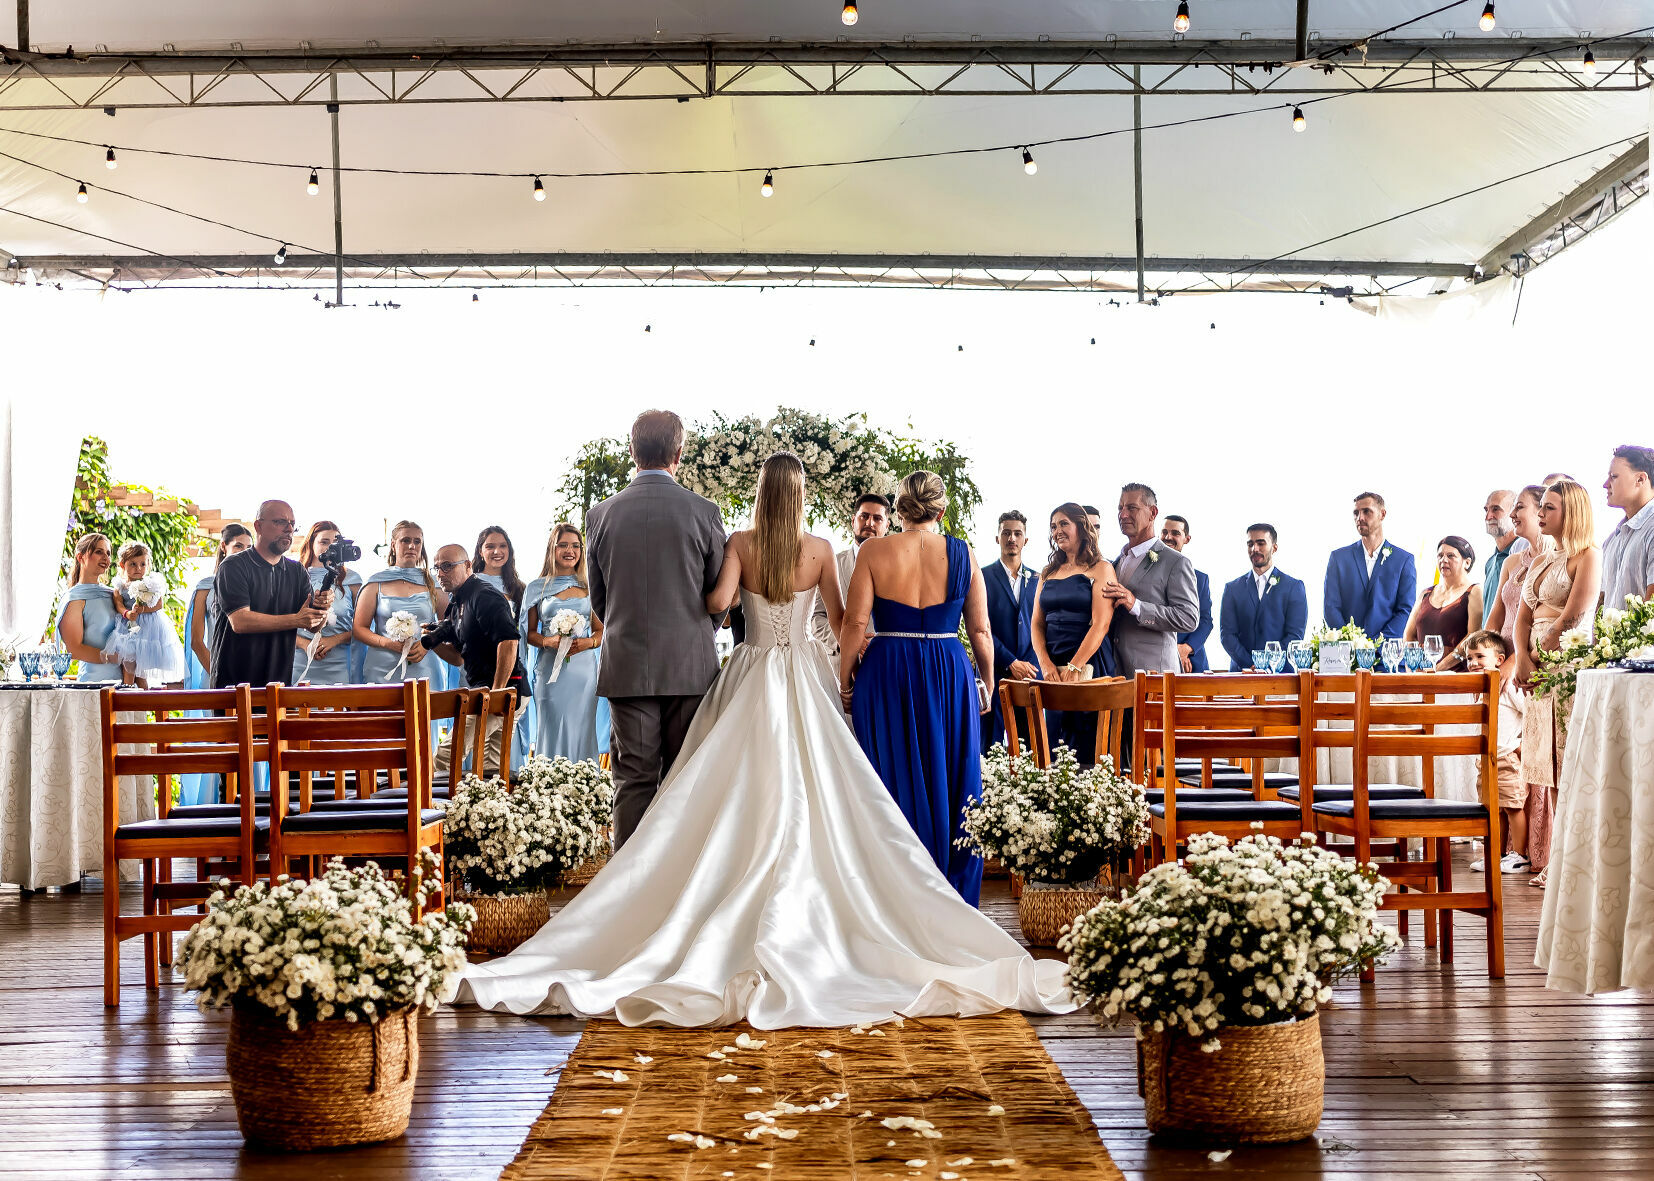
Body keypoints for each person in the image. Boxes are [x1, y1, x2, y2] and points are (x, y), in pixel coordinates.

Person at [455, 455, 1070, 1028]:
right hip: (805, 671)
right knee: (824, 787)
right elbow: (840, 615)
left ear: (759, 496)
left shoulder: (743, 544)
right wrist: (841, 667)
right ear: (801, 497)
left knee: (728, 786)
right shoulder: (823, 549)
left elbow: (719, 603)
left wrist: (723, 599)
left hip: (751, 671)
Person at [842, 470, 996, 905]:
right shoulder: (963, 553)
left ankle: (895, 897)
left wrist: (845, 680)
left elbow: (854, 624)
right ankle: (953, 899)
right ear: (941, 511)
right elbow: (981, 630)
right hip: (949, 671)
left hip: (887, 669)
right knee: (955, 777)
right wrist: (984, 681)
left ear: (900, 509)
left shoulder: (873, 550)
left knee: (887, 780)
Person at [587, 409, 727, 849]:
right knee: (685, 776)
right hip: (689, 665)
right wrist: (697, 628)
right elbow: (718, 596)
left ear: (631, 452)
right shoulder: (704, 511)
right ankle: (681, 879)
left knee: (633, 779)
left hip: (628, 664)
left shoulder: (601, 515)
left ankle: (627, 879)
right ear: (679, 454)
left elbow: (600, 599)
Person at [1514, 480, 1601, 889]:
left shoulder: (1588, 555)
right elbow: (1522, 616)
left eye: (1549, 507)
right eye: (1542, 507)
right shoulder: (1540, 560)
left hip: (1563, 668)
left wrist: (1543, 657)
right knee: (1541, 765)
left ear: (1572, 511)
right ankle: (1550, 855)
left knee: (1567, 764)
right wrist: (1522, 657)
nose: (1542, 513)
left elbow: (1574, 614)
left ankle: (1570, 862)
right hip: (1535, 668)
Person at [1482, 485, 1552, 877]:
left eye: (1519, 508)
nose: (1513, 516)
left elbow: (1537, 621)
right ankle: (1504, 848)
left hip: (1527, 666)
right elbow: (1497, 616)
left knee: (1521, 761)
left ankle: (1533, 848)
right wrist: (1477, 653)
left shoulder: (1554, 558)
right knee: (1496, 759)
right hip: (1499, 663)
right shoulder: (1513, 560)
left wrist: (1512, 661)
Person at [424, 544, 530, 778]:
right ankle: (489, 812)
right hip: (486, 691)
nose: (441, 573)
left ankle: (437, 810)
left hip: (503, 691)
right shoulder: (455, 604)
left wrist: (497, 693)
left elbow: (509, 642)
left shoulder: (484, 595)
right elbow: (458, 659)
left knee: (446, 755)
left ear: (468, 566)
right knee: (492, 769)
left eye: (448, 566)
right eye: (438, 567)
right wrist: (433, 643)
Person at [1029, 502, 1116, 765]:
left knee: (1087, 748)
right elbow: (1036, 624)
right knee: (1053, 746)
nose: (1057, 531)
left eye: (1064, 524)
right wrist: (1045, 664)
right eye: (1053, 526)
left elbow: (1101, 624)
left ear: (1081, 526)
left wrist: (1075, 667)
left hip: (1088, 664)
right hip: (1053, 669)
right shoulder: (1048, 572)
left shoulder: (1101, 568)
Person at [211, 500, 329, 690]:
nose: (289, 529)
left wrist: (323, 608)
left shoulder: (297, 570)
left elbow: (313, 626)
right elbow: (240, 622)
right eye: (280, 522)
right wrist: (296, 620)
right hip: (234, 682)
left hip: (279, 681)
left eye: (292, 523)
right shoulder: (233, 565)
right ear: (258, 526)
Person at [181, 524, 254, 805]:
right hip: (215, 674)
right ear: (223, 547)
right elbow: (197, 640)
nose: (243, 553)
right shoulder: (205, 587)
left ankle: (249, 810)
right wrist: (218, 672)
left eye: (248, 548)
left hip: (249, 675)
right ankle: (212, 812)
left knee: (248, 747)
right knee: (217, 747)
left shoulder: (254, 586)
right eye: (238, 546)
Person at [1103, 483, 1199, 679]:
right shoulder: (1115, 563)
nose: (1123, 515)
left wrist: (1137, 606)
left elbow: (1189, 618)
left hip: (1156, 678)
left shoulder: (1176, 562)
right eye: (1120, 508)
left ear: (1152, 513)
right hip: (1115, 676)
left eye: (1131, 508)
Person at [524, 523, 603, 763]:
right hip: (549, 671)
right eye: (564, 545)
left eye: (576, 546)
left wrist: (588, 642)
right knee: (551, 725)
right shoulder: (537, 587)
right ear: (552, 549)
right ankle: (547, 788)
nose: (570, 550)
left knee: (582, 728)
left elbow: (601, 631)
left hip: (584, 673)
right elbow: (528, 634)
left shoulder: (590, 587)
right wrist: (548, 640)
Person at [1463, 630, 1531, 875]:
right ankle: (1497, 853)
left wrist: (1520, 742)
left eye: (1479, 657)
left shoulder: (1508, 687)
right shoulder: (1477, 688)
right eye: (1469, 658)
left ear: (1499, 661)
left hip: (1506, 756)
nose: (1472, 663)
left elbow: (1527, 711)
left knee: (1513, 806)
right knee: (1494, 809)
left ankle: (1520, 855)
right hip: (1485, 759)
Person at [354, 520, 447, 685]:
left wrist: (429, 643)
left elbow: (449, 625)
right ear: (393, 544)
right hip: (382, 667)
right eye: (406, 540)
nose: (412, 546)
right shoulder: (376, 583)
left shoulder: (434, 585)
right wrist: (388, 643)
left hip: (424, 666)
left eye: (417, 541)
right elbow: (359, 629)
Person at [980, 509, 1040, 752]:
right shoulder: (981, 577)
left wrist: (1028, 665)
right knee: (989, 748)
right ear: (997, 538)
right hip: (993, 672)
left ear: (1026, 540)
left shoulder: (1038, 579)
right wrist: (1010, 662)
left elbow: (1042, 628)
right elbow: (980, 626)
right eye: (1006, 533)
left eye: (1017, 533)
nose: (1011, 538)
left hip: (1030, 674)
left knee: (1030, 750)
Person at [1322, 491, 1416, 639]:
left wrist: (1377, 644)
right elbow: (1331, 607)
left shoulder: (1404, 560)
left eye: (1367, 511)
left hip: (1387, 653)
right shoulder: (1338, 558)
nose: (1360, 518)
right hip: (1346, 654)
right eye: (1356, 513)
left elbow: (1405, 610)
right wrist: (1350, 641)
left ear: (1382, 514)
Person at [473, 525, 530, 767]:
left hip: (510, 667)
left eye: (503, 546)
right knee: (475, 729)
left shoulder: (519, 588)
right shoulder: (470, 584)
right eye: (490, 546)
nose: (497, 551)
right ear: (480, 551)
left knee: (504, 732)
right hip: (478, 665)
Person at [1218, 523, 1308, 670]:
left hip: (1281, 675)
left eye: (1261, 543)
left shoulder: (1294, 587)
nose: (1255, 549)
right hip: (1242, 673)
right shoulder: (1232, 588)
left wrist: (1270, 664)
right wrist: (1251, 664)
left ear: (1274, 548)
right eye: (1250, 544)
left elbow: (1294, 635)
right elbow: (1227, 635)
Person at [810, 492, 890, 653]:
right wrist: (846, 641)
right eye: (864, 516)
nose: (870, 523)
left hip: (884, 659)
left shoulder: (898, 566)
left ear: (887, 525)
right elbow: (815, 617)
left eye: (877, 518)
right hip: (838, 662)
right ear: (853, 520)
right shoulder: (831, 563)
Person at [102, 541, 187, 686]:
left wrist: (143, 610)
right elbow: (119, 604)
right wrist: (127, 614)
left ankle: (143, 703)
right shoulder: (120, 585)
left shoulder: (151, 583)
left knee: (141, 671)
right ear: (123, 565)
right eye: (133, 564)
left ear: (148, 565)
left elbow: (159, 604)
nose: (138, 568)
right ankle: (127, 693)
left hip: (148, 628)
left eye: (142, 564)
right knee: (129, 662)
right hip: (129, 625)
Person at [291, 520, 361, 686]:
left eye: (335, 543)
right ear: (311, 544)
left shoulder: (352, 579)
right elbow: (280, 620)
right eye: (324, 542)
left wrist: (334, 640)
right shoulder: (293, 576)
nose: (330, 547)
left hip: (340, 661)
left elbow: (364, 626)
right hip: (301, 659)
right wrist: (305, 644)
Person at [56, 533, 124, 683]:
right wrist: (113, 658)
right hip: (93, 684)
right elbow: (73, 649)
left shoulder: (113, 594)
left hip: (125, 682)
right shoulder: (74, 598)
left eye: (108, 553)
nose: (106, 558)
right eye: (98, 552)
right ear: (80, 557)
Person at [1405, 536, 1481, 666]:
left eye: (1451, 556)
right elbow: (1409, 635)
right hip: (1421, 673)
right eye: (1440, 555)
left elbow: (1472, 636)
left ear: (1467, 562)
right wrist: (1412, 666)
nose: (1444, 560)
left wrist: (1441, 667)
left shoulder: (1474, 591)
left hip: (1456, 675)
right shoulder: (1425, 593)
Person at [1601, 444, 1654, 608]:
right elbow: (1602, 601)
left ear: (1640, 479)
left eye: (1613, 476)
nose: (1605, 484)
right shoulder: (1611, 540)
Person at [1160, 514, 1210, 672]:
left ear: (1187, 539)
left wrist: (1185, 649)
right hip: (1156, 658)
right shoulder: (1145, 573)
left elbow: (1206, 621)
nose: (1168, 537)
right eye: (1164, 532)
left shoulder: (1200, 579)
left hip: (1192, 662)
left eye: (1175, 533)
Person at [1481, 490, 1529, 624]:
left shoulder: (1524, 556)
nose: (1488, 516)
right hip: (1490, 641)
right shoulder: (1490, 562)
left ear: (1514, 513)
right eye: (1486, 510)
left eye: (1496, 509)